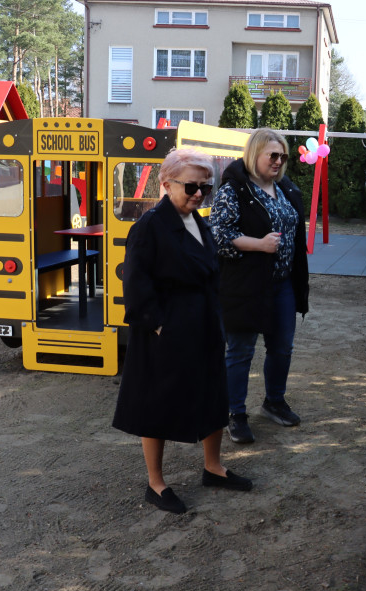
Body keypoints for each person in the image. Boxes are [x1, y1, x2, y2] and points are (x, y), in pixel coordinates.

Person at [113, 147, 252, 514]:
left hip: (204, 324)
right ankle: (155, 483)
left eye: (205, 188)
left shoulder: (197, 221)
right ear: (166, 184)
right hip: (166, 332)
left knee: (213, 394)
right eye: (191, 187)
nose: (199, 194)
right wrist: (161, 327)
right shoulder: (149, 226)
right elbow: (136, 285)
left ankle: (213, 468)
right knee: (156, 404)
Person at [209, 128, 309, 444]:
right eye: (273, 155)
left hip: (282, 284)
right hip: (245, 285)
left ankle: (274, 402)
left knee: (282, 347)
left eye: (283, 156)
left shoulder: (285, 187)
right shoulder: (234, 190)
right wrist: (259, 244)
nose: (279, 161)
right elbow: (219, 236)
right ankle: (235, 414)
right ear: (255, 154)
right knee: (241, 351)